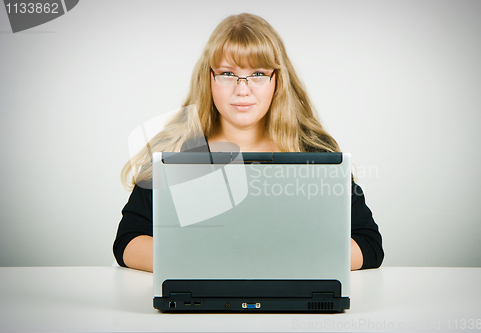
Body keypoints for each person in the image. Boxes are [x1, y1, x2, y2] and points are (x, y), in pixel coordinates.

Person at [113, 13, 383, 272]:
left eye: (258, 74)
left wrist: (279, 260)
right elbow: (128, 241)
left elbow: (368, 244)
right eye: (228, 74)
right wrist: (213, 261)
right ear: (209, 78)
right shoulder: (177, 148)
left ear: (277, 79)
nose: (242, 89)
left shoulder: (314, 151)